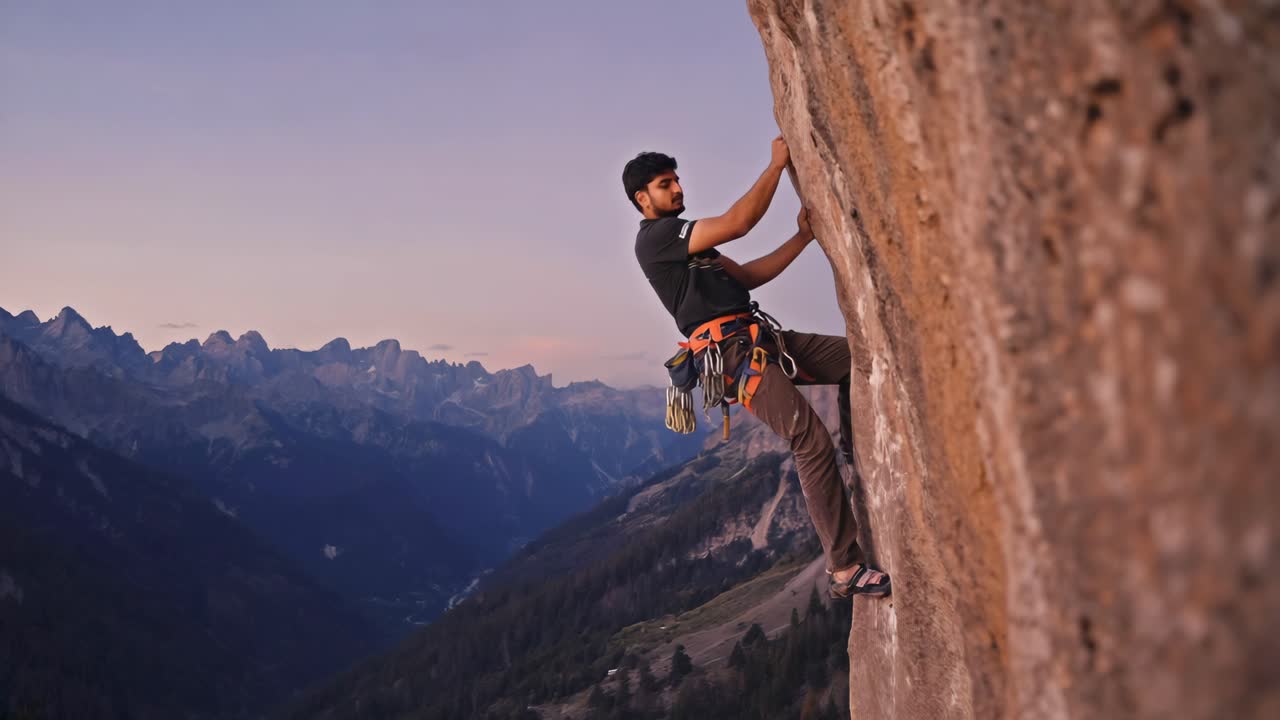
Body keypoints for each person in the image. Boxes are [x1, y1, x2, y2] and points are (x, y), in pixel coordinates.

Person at [624, 136, 891, 597]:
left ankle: (855, 455)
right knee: (808, 439)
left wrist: (803, 237)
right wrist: (776, 166)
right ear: (642, 199)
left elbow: (749, 276)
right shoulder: (657, 239)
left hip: (761, 337)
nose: (678, 188)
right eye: (666, 184)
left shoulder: (692, 246)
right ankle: (845, 570)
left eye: (677, 179)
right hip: (731, 355)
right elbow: (739, 223)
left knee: (854, 358)